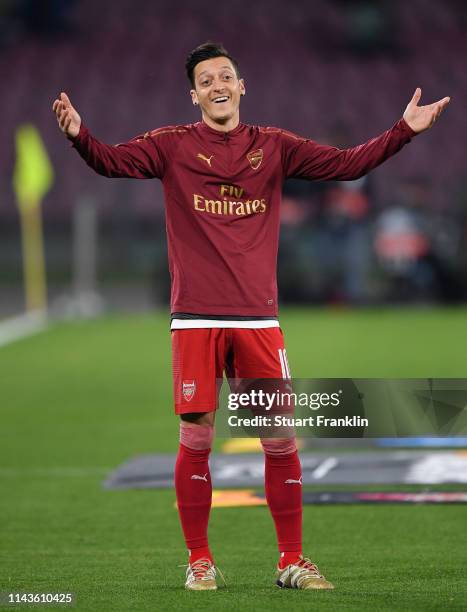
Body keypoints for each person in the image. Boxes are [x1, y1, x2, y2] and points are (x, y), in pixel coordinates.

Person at [52, 42, 450, 592]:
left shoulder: (276, 147)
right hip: (195, 318)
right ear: (194, 95)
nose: (218, 85)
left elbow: (347, 164)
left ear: (242, 87)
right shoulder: (171, 146)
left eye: (226, 76)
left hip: (259, 320)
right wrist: (79, 137)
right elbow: (112, 161)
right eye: (207, 79)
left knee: (279, 438)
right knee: (197, 434)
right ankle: (199, 560)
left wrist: (402, 130)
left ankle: (291, 560)